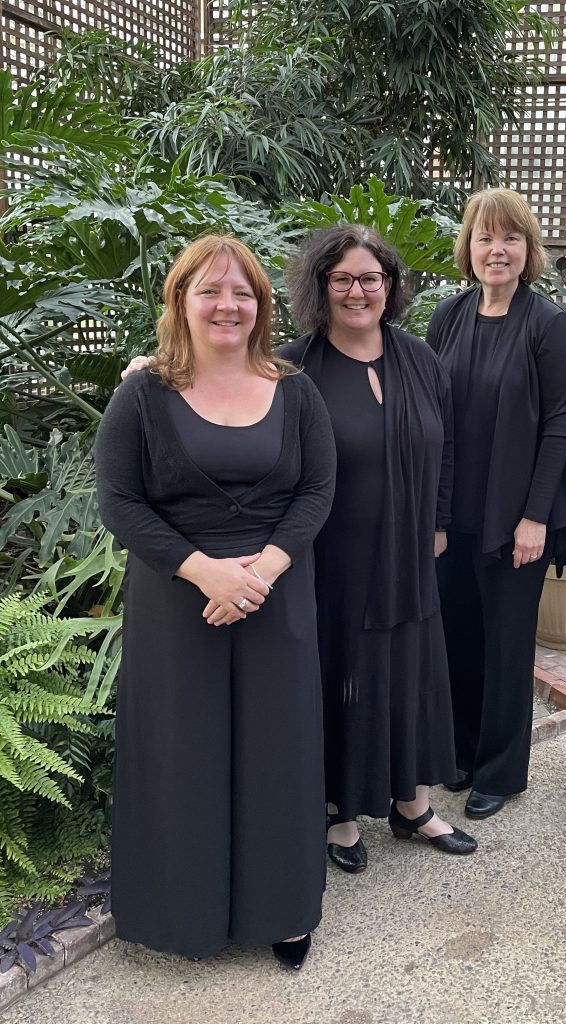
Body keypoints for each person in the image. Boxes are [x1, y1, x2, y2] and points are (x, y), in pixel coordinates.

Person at [95, 235, 336, 968]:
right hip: (178, 602)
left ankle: (284, 911)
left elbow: (316, 489)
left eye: (243, 293)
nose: (228, 304)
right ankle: (185, 915)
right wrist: (207, 573)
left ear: (261, 307)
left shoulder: (294, 388)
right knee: (182, 755)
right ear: (181, 301)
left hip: (275, 595)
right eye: (210, 290)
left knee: (279, 753)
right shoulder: (142, 393)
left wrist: (259, 571)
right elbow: (120, 501)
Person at [280, 225, 476, 870]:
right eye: (343, 279)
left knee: (414, 673)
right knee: (346, 677)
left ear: (390, 287)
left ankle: (412, 805)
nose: (358, 291)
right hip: (334, 556)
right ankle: (339, 814)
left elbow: (445, 447)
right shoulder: (295, 367)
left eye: (371, 279)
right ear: (321, 287)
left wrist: (441, 521)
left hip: (412, 549)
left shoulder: (419, 357)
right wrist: (148, 369)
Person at [426, 188, 566, 820]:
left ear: (527, 250)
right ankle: (462, 753)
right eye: (486, 237)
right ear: (469, 246)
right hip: (451, 512)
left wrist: (536, 515)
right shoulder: (449, 315)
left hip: (514, 516)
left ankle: (501, 770)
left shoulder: (544, 322)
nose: (498, 249)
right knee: (457, 637)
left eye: (511, 238)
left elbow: (562, 420)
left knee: (507, 644)